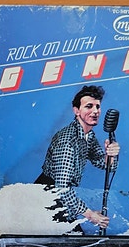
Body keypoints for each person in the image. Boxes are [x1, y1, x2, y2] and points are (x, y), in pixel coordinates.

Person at [35, 85, 120, 229]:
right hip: (46, 199)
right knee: (75, 238)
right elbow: (62, 188)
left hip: (60, 198)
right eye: (89, 106)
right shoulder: (67, 141)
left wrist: (111, 155)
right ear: (76, 111)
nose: (95, 111)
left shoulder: (88, 135)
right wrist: (90, 214)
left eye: (97, 106)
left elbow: (102, 163)